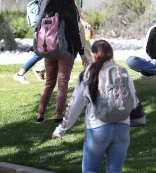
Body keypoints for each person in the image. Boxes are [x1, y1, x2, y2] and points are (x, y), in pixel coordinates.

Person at [52, 40, 137, 173]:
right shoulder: (122, 71)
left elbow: (74, 105)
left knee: (90, 170)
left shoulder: (88, 73)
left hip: (97, 129)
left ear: (93, 54)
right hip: (123, 129)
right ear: (111, 54)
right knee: (115, 170)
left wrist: (61, 128)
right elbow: (133, 100)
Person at [37, 0, 88, 124]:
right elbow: (75, 33)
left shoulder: (49, 7)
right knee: (62, 82)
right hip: (66, 51)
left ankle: (40, 115)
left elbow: (38, 27)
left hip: (50, 50)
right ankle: (58, 115)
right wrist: (82, 52)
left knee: (49, 82)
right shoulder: (70, 9)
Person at [13, 0, 59, 84]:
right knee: (40, 54)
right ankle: (20, 74)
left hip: (45, 30)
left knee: (46, 53)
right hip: (43, 30)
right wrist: (39, 31)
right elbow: (42, 15)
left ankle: (41, 73)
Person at [70, 0, 93, 65]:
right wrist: (82, 21)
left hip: (74, 20)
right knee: (86, 45)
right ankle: (91, 72)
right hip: (75, 21)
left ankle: (89, 70)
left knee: (70, 47)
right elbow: (74, 5)